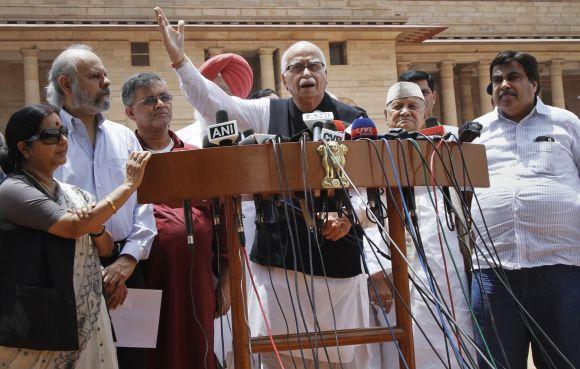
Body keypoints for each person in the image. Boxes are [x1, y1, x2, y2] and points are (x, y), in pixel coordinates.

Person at [155, 7, 371, 369]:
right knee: (278, 357)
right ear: (284, 79)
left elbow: (366, 189)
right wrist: (180, 62)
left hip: (338, 258)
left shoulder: (354, 120)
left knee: (339, 356)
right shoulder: (264, 111)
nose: (306, 73)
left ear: (325, 74)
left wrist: (350, 216)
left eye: (314, 65)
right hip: (279, 260)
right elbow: (215, 102)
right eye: (297, 68)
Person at [0, 104, 151, 369]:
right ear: (24, 148)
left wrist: (94, 227)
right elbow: (70, 227)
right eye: (50, 135)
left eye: (64, 132)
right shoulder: (12, 191)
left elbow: (104, 249)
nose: (63, 141)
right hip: (36, 323)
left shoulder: (76, 194)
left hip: (87, 316)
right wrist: (128, 186)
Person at [46, 44, 157, 369]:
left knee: (135, 362)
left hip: (129, 274)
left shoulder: (125, 137)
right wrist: (96, 275)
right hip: (70, 274)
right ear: (66, 85)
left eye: (105, 74)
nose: (106, 82)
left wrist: (126, 262)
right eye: (95, 76)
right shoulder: (47, 140)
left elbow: (144, 206)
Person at [470, 51, 580, 369]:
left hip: (560, 269)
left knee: (564, 362)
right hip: (493, 274)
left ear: (533, 83)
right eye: (497, 80)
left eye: (512, 77)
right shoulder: (477, 132)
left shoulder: (566, 124)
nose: (503, 85)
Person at [121, 72, 229, 369]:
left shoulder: (196, 158)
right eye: (149, 100)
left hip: (196, 286)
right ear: (130, 112)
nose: (160, 104)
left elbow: (221, 223)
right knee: (146, 358)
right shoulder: (120, 161)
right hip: (143, 285)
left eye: (164, 97)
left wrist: (228, 280)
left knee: (197, 354)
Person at [368, 82, 475, 369]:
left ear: (425, 109)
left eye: (412, 105)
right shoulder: (370, 152)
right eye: (397, 106)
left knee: (453, 343)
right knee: (398, 349)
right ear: (386, 114)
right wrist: (376, 271)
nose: (405, 111)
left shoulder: (446, 146)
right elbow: (362, 212)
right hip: (393, 272)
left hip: (445, 269)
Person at [176, 52, 254, 147]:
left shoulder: (253, 140)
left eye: (226, 94)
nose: (219, 100)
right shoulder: (181, 141)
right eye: (213, 93)